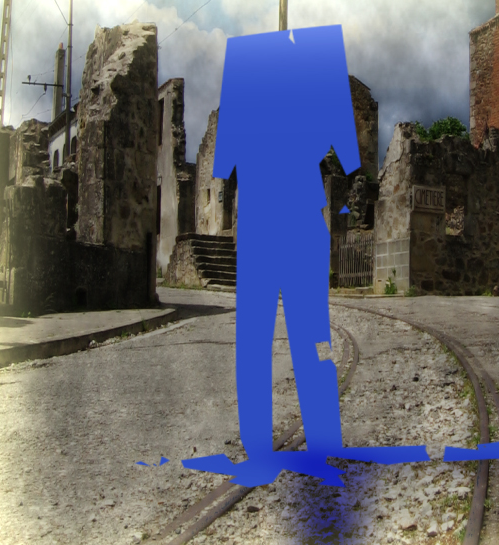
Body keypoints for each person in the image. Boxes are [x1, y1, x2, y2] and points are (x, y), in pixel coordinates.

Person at [183, 25, 429, 487]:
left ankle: (262, 447)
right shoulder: (319, 61)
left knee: (259, 338)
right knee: (308, 335)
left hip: (265, 218)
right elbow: (351, 160)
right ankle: (322, 438)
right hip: (296, 216)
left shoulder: (248, 63)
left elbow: (225, 163)